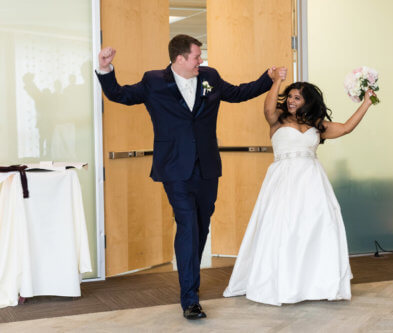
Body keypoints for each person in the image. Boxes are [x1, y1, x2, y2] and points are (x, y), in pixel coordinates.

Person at [96, 34, 284, 319]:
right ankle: (190, 299)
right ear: (179, 58)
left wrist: (267, 78)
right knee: (187, 225)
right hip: (174, 168)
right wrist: (105, 69)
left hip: (207, 166)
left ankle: (188, 275)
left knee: (201, 225)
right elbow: (119, 95)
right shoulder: (154, 81)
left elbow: (237, 93)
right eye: (197, 56)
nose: (201, 61)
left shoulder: (209, 76)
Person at [223, 69, 377, 305]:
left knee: (316, 226)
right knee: (284, 228)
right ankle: (283, 282)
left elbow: (346, 127)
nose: (292, 101)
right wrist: (277, 81)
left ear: (307, 102)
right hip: (284, 180)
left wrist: (366, 103)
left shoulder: (316, 123)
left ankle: (315, 282)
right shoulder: (277, 119)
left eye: (298, 98)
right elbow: (267, 108)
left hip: (312, 180)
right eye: (290, 96)